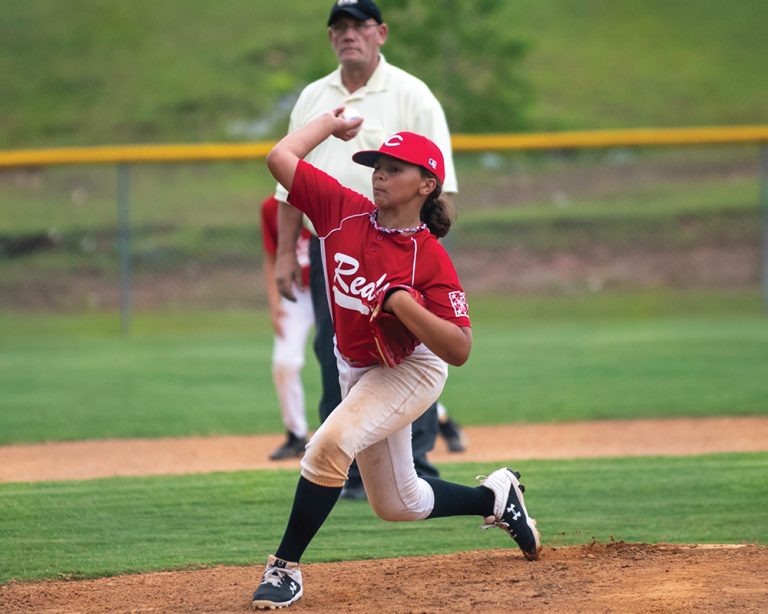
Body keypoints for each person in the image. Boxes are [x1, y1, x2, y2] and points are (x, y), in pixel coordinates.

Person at [251, 110, 541, 610]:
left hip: (411, 370)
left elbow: (459, 348)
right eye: (377, 165)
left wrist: (405, 304)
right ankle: (495, 498)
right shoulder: (342, 210)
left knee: (328, 445)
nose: (380, 173)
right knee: (397, 504)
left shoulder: (429, 257)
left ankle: (283, 569)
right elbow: (280, 158)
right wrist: (328, 123)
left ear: (428, 184)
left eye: (394, 167)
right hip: (357, 367)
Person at [273, 0, 465, 499]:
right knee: (333, 349)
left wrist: (421, 259)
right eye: (338, 26)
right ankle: (343, 466)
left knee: (404, 352)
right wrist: (282, 256)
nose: (347, 34)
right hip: (331, 243)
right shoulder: (315, 96)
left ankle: (415, 458)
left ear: (381, 32)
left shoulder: (411, 93)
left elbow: (444, 185)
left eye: (358, 25)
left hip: (402, 250)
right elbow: (285, 185)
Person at [260, 195, 315, 460]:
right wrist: (274, 304)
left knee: (362, 363)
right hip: (296, 293)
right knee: (284, 363)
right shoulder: (271, 207)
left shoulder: (324, 196)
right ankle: (296, 436)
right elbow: (271, 257)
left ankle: (438, 417)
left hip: (333, 287)